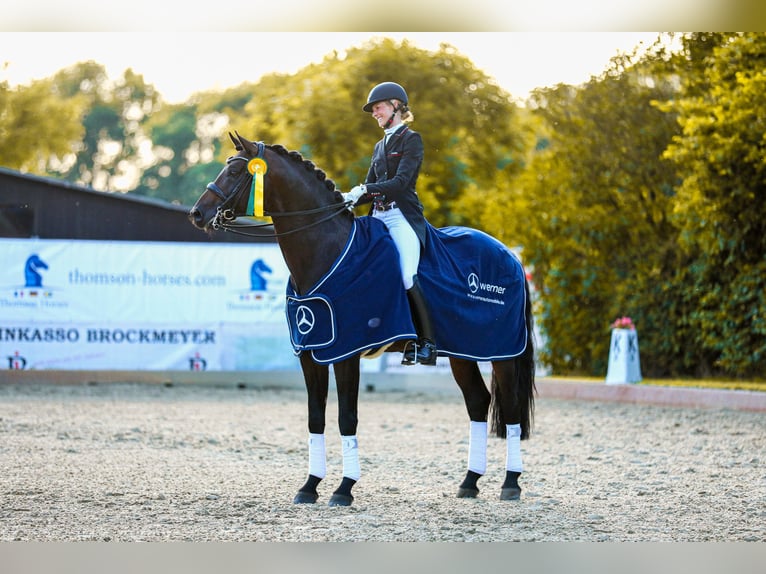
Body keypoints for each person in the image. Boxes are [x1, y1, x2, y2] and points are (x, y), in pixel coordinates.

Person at [342, 81, 437, 366]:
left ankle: (426, 343)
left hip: (401, 216)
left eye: (378, 107)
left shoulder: (411, 139)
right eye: (373, 109)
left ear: (396, 106)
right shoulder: (379, 145)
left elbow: (400, 183)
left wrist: (365, 190)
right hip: (378, 217)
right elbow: (369, 186)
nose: (374, 113)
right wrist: (345, 199)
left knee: (407, 274)